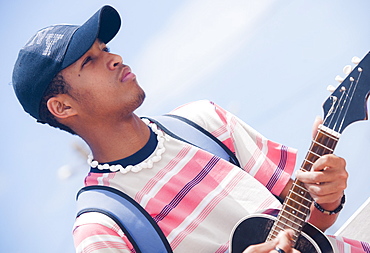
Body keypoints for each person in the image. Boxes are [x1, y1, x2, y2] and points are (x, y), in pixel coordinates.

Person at [12, 5, 368, 253]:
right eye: (89, 61)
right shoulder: (101, 226)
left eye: (105, 47)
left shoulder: (205, 121)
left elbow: (313, 224)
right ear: (62, 107)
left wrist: (330, 194)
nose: (115, 58)